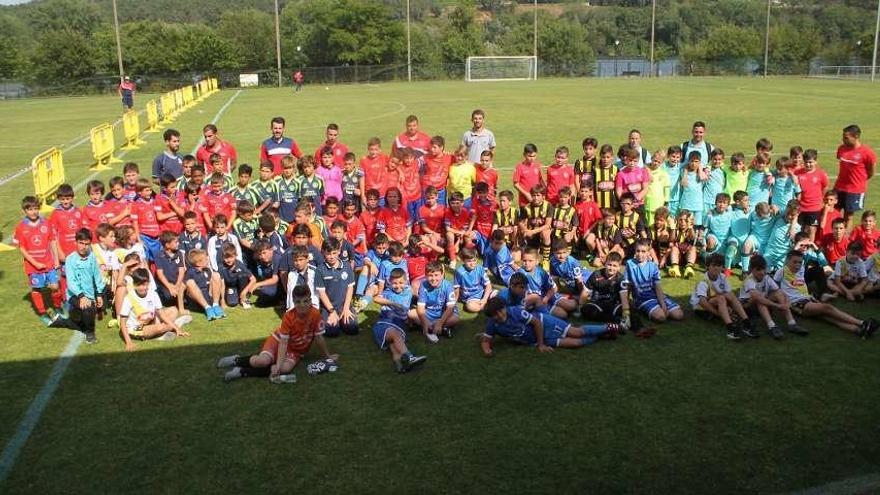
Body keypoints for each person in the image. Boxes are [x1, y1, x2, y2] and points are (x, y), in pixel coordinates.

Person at [217, 285, 337, 383]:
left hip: (296, 350)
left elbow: (319, 337)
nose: (302, 305)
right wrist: (278, 365)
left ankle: (241, 371)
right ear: (293, 302)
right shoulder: (289, 317)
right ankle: (237, 360)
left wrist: (327, 356)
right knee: (263, 361)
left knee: (285, 369)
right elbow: (283, 343)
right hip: (278, 341)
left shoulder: (316, 315)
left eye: (306, 301)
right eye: (298, 302)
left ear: (310, 300)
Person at [773, 250, 877, 338]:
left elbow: (818, 266)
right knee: (827, 308)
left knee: (829, 317)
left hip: (808, 299)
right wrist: (783, 299)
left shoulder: (801, 269)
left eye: (800, 262)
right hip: (797, 304)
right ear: (787, 261)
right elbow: (775, 288)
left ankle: (858, 331)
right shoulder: (781, 272)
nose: (797, 265)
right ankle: (862, 323)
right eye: (794, 262)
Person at [480, 298, 620, 356]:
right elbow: (486, 340)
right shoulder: (493, 324)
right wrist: (487, 350)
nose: (498, 315)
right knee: (576, 343)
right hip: (541, 338)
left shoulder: (515, 312)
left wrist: (541, 345)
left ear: (504, 307)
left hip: (545, 324)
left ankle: (609, 327)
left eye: (500, 311)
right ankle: (601, 336)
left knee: (576, 332)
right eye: (494, 314)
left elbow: (537, 323)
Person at [14, 196, 65, 326]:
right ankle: (42, 313)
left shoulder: (46, 223)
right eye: (30, 209)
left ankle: (58, 307)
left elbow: (52, 241)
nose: (33, 212)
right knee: (37, 289)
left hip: (48, 262)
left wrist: (56, 259)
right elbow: (22, 248)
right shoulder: (21, 227)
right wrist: (35, 263)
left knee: (55, 286)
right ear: (24, 210)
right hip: (32, 266)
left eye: (36, 208)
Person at [119, 268, 191, 351]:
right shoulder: (129, 298)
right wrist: (129, 342)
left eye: (145, 284)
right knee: (159, 328)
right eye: (140, 285)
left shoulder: (153, 294)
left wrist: (178, 330)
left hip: (151, 321)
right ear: (134, 284)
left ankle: (172, 327)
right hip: (136, 328)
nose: (143, 288)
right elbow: (123, 323)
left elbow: (162, 314)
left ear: (149, 283)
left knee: (174, 310)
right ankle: (170, 328)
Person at [372, 268, 428, 373]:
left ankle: (400, 367)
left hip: (401, 325)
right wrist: (392, 303)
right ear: (389, 282)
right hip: (386, 322)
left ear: (406, 281)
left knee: (394, 345)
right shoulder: (388, 292)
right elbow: (376, 299)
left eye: (401, 282)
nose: (398, 286)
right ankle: (410, 357)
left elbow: (422, 296)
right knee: (395, 334)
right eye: (395, 283)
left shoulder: (409, 290)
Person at [738, 254, 806, 340]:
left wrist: (788, 302)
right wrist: (778, 306)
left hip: (761, 302)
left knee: (778, 293)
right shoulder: (749, 280)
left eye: (763, 269)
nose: (762, 272)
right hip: (747, 306)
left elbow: (780, 291)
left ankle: (792, 323)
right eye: (758, 270)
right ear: (751, 270)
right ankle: (772, 326)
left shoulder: (766, 277)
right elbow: (757, 298)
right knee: (759, 298)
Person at [690, 253, 754, 341]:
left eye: (719, 265)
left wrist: (729, 307)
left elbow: (729, 296)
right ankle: (730, 328)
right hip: (701, 308)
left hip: (716, 301)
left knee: (729, 295)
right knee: (721, 299)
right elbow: (702, 302)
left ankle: (746, 322)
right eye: (714, 265)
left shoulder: (722, 277)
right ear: (708, 266)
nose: (716, 268)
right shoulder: (703, 281)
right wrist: (719, 314)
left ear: (722, 267)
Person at [625, 239, 684, 322]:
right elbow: (627, 285)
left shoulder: (653, 266)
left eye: (643, 251)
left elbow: (657, 286)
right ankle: (646, 308)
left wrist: (663, 305)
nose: (640, 254)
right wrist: (627, 304)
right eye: (638, 251)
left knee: (679, 315)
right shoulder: (630, 264)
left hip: (657, 296)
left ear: (648, 253)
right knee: (661, 317)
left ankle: (662, 304)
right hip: (643, 299)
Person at [64, 228, 107, 343]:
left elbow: (97, 277)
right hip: (75, 295)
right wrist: (81, 296)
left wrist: (98, 294)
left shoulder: (92, 257)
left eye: (87, 244)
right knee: (86, 308)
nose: (84, 247)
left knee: (92, 309)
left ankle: (80, 318)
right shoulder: (70, 259)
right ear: (76, 242)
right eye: (81, 243)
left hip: (90, 294)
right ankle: (90, 333)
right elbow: (71, 283)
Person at [833, 124, 876, 229]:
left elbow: (871, 172)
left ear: (856, 136)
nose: (843, 139)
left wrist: (859, 181)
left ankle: (846, 242)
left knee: (848, 216)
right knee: (834, 213)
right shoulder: (841, 149)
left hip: (855, 190)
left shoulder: (867, 153)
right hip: (839, 187)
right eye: (843, 137)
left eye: (846, 137)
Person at [315, 238, 357, 337]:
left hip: (344, 305)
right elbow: (322, 293)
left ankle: (344, 319)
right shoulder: (320, 270)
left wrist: (346, 308)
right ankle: (334, 320)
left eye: (334, 253)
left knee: (352, 329)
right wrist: (332, 311)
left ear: (339, 251)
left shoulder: (347, 266)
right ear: (323, 253)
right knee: (331, 332)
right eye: (328, 254)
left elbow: (350, 288)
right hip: (328, 307)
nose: (332, 257)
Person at [417, 261, 459, 343]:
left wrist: (440, 322)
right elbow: (420, 307)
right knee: (411, 314)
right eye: (430, 275)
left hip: (443, 313)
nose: (433, 278)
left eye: (436, 275)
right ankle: (442, 329)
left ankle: (433, 327)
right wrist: (425, 322)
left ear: (442, 275)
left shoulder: (448, 285)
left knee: (455, 319)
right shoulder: (423, 284)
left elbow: (450, 308)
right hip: (429, 312)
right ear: (426, 275)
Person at [795, 149, 829, 241]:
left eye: (811, 162)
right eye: (806, 162)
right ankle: (799, 249)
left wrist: (821, 199)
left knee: (812, 229)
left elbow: (825, 187)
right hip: (801, 207)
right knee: (800, 229)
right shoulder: (798, 173)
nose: (808, 164)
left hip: (814, 207)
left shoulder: (820, 174)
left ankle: (809, 250)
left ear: (815, 162)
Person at [183, 248, 226, 321]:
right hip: (199, 302)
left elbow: (218, 283)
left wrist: (223, 301)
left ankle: (215, 305)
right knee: (190, 282)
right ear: (199, 263)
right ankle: (208, 309)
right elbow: (182, 289)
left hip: (209, 298)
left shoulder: (208, 270)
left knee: (216, 275)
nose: (208, 260)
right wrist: (181, 308)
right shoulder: (190, 272)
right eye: (206, 259)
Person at [454, 247, 495, 313]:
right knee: (470, 307)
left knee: (499, 295)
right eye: (469, 261)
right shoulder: (459, 272)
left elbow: (488, 285)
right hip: (471, 298)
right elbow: (456, 289)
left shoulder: (480, 268)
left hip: (482, 292)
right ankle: (487, 307)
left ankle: (485, 304)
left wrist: (484, 299)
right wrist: (454, 302)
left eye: (474, 260)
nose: (472, 263)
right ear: (463, 260)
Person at [512, 143, 543, 207]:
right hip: (524, 201)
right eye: (529, 156)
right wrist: (526, 194)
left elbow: (540, 180)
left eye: (534, 156)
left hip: (537, 199)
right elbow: (516, 184)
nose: (532, 158)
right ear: (524, 155)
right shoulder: (519, 167)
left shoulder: (538, 165)